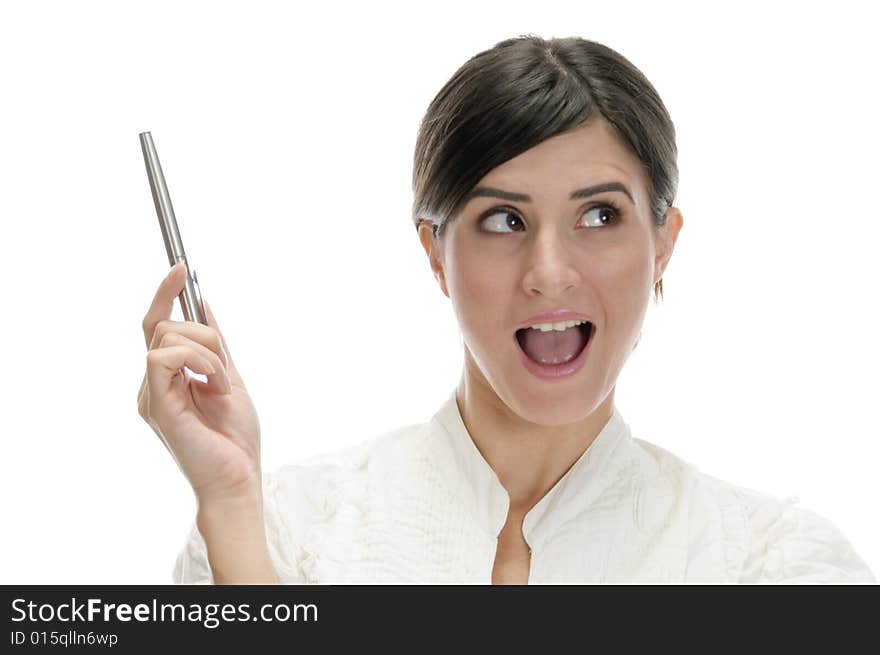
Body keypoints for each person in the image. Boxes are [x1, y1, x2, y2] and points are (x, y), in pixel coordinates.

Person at [138, 35, 875, 584]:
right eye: (502, 221)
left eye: (598, 216)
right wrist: (232, 503)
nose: (548, 273)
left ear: (662, 244)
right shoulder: (283, 533)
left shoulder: (768, 565)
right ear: (434, 251)